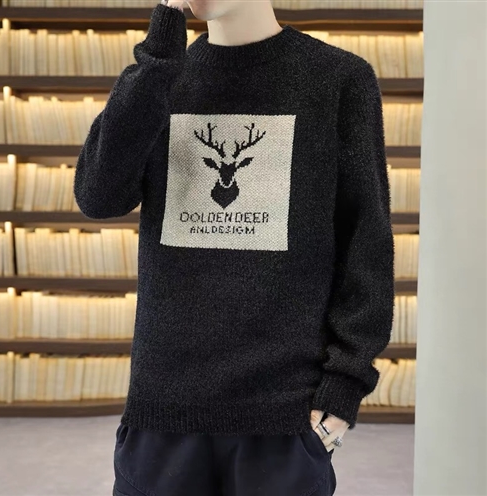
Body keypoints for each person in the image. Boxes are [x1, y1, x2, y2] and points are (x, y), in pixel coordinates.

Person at [74, 0, 395, 494]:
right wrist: (158, 58)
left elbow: (365, 242)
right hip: (164, 408)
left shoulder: (337, 79)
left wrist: (343, 390)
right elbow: (98, 197)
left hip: (285, 414)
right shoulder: (159, 77)